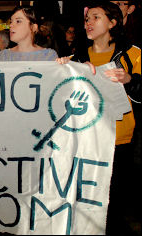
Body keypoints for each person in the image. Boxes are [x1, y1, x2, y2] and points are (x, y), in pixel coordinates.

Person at [56, 2, 141, 234]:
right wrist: (61, 69)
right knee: (89, 202)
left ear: (112, 23)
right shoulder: (77, 58)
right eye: (87, 19)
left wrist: (129, 81)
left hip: (119, 140)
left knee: (114, 205)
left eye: (96, 17)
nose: (89, 23)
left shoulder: (133, 54)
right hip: (87, 140)